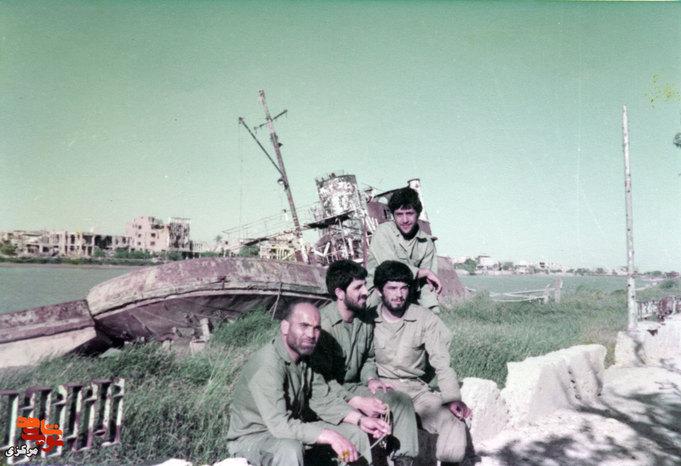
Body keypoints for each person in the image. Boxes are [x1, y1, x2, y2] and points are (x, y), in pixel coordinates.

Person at [226, 302, 391, 466]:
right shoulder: (268, 364)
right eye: (304, 326)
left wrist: (361, 420)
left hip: (292, 427)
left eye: (316, 328)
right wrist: (329, 436)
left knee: (354, 434)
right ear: (285, 327)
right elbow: (279, 425)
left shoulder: (305, 358)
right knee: (290, 449)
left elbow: (324, 400)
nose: (311, 334)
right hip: (255, 438)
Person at [312, 259, 419, 466]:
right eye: (358, 287)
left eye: (365, 285)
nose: (365, 292)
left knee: (400, 401)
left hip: (355, 387)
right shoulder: (322, 326)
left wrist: (370, 379)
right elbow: (320, 382)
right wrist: (357, 402)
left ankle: (403, 460)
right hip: (329, 394)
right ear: (339, 293)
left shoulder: (364, 320)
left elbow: (368, 358)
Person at [372, 260, 473, 464]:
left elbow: (442, 363)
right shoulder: (368, 319)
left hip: (416, 391)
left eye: (404, 288)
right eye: (392, 288)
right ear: (379, 291)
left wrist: (452, 398)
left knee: (454, 421)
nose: (399, 294)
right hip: (384, 392)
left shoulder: (424, 318)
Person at [366, 186, 442, 312]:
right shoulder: (383, 232)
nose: (405, 220)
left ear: (418, 214)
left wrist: (433, 312)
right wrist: (425, 272)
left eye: (409, 213)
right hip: (377, 299)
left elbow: (427, 286)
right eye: (399, 214)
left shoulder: (426, 243)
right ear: (393, 215)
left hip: (406, 299)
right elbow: (392, 272)